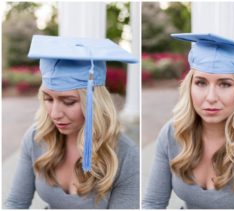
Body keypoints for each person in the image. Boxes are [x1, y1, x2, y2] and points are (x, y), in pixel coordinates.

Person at [142, 33, 234, 209]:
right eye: (201, 83)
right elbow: (152, 203)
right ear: (189, 86)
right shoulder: (173, 133)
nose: (211, 97)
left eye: (225, 84)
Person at [5, 35, 140, 209]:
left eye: (69, 102)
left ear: (94, 103)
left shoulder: (125, 155)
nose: (55, 114)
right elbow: (15, 203)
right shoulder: (36, 137)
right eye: (48, 99)